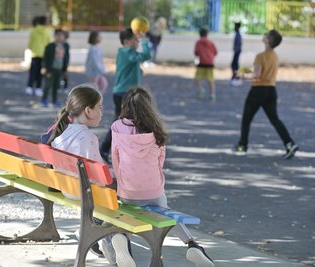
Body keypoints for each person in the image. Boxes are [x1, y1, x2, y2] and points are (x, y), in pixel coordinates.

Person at [111, 87, 215, 267]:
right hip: (154, 192)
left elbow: (116, 159)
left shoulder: (117, 127)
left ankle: (122, 240)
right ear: (149, 107)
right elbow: (160, 162)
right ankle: (192, 245)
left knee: (126, 214)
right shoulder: (156, 130)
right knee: (166, 211)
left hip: (128, 192)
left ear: (125, 106)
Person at [44, 84, 130, 264]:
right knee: (120, 187)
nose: (101, 112)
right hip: (85, 192)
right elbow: (102, 176)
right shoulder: (88, 138)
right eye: (99, 107)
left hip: (66, 187)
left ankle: (99, 232)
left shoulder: (60, 133)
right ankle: (107, 232)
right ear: (88, 111)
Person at [234, 29, 299, 159]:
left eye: (266, 35)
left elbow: (256, 75)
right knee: (275, 119)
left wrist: (241, 76)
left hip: (258, 91)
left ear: (268, 41)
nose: (264, 36)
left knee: (246, 119)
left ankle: (242, 145)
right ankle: (289, 143)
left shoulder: (260, 56)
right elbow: (263, 72)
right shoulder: (275, 56)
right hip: (271, 90)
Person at [100, 27, 151, 163]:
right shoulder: (128, 52)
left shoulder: (124, 53)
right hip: (125, 94)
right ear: (127, 41)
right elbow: (145, 56)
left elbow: (130, 67)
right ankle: (109, 149)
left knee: (122, 122)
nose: (138, 42)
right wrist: (145, 41)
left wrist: (137, 71)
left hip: (122, 92)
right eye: (136, 40)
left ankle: (108, 149)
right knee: (126, 123)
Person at [40, 29, 70, 107]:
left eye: (61, 35)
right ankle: (44, 99)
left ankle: (54, 100)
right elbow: (45, 58)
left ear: (64, 37)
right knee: (48, 84)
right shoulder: (50, 46)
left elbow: (66, 58)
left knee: (56, 86)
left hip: (59, 69)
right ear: (54, 36)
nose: (59, 37)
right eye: (58, 35)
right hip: (50, 69)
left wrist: (65, 69)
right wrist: (44, 67)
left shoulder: (65, 46)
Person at [25, 16, 50, 96]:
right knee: (40, 73)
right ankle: (38, 88)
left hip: (35, 54)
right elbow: (48, 44)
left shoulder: (33, 31)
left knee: (33, 72)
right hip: (43, 55)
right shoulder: (46, 32)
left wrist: (30, 48)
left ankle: (29, 87)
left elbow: (31, 42)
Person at [194, 28, 218, 102]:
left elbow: (196, 52)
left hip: (201, 63)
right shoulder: (211, 42)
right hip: (210, 63)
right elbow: (215, 52)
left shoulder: (198, 42)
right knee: (210, 79)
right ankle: (212, 95)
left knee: (197, 77)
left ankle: (201, 89)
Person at [230, 22, 242, 86]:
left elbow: (239, 44)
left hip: (237, 51)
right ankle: (235, 76)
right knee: (235, 64)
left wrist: (236, 50)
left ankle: (236, 77)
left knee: (234, 65)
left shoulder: (238, 35)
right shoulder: (237, 34)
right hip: (237, 51)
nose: (234, 28)